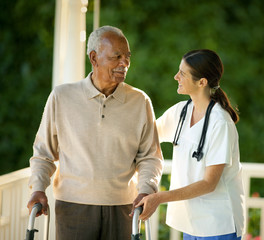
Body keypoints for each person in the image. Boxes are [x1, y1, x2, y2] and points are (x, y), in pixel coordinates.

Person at [27, 26, 163, 240]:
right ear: (94, 58)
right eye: (116, 57)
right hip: (73, 207)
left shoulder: (140, 101)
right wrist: (38, 188)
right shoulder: (61, 97)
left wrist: (146, 189)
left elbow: (150, 157)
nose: (124, 63)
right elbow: (44, 153)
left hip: (123, 207)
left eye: (127, 57)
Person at [136, 49, 246, 239]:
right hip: (192, 223)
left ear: (202, 82)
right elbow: (145, 136)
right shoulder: (180, 112)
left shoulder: (220, 123)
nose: (176, 76)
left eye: (183, 74)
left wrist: (159, 197)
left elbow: (208, 183)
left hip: (219, 224)